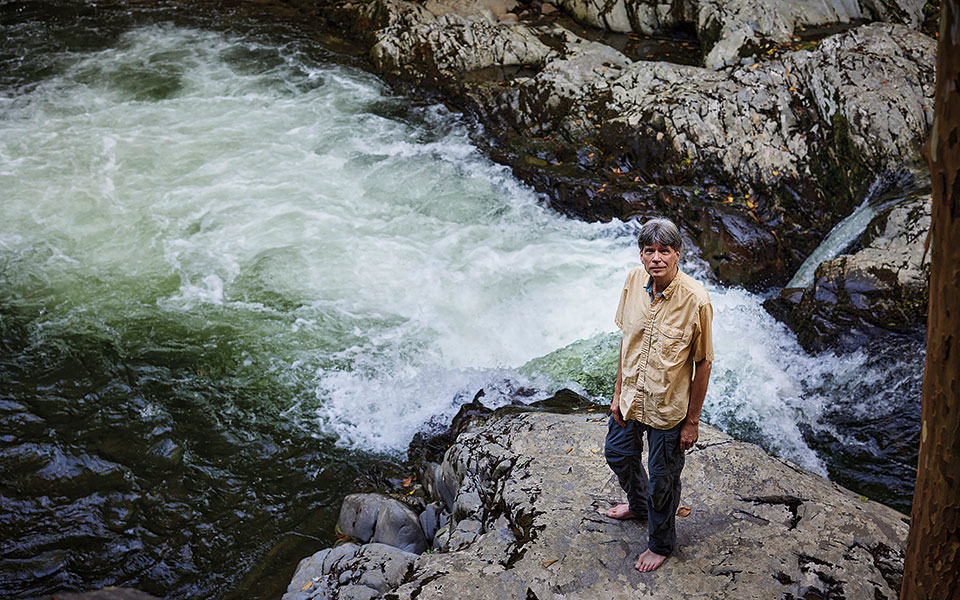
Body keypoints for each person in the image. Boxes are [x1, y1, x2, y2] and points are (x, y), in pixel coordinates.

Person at [604, 217, 714, 572]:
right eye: (649, 250)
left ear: (677, 254)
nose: (656, 258)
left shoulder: (696, 300)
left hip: (669, 409)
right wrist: (618, 391)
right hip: (631, 399)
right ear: (641, 255)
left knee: (663, 482)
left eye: (664, 250)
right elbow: (627, 342)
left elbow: (704, 363)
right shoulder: (633, 282)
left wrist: (692, 422)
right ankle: (637, 505)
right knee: (618, 454)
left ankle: (660, 543)